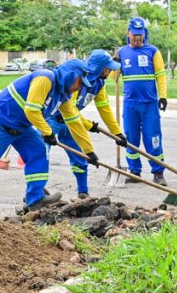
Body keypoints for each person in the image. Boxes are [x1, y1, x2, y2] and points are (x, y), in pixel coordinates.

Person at [0, 58, 114, 211]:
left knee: (39, 151)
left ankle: (35, 199)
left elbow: (74, 121)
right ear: (71, 75)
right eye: (79, 82)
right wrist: (47, 132)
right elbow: (31, 109)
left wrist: (89, 151)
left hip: (21, 126)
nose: (79, 87)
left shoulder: (63, 95)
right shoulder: (45, 78)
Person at [49, 49, 126, 198]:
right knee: (40, 153)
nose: (110, 70)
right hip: (52, 119)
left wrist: (117, 133)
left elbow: (104, 108)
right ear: (99, 67)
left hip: (71, 123)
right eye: (108, 67)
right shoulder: (79, 77)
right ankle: (36, 193)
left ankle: (83, 193)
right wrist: (89, 125)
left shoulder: (99, 83)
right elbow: (70, 109)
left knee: (81, 157)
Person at [117, 17, 169, 186]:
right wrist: (114, 65)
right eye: (135, 35)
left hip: (149, 104)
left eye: (141, 35)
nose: (138, 38)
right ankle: (134, 171)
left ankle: (158, 172)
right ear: (128, 34)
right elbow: (114, 78)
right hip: (130, 103)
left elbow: (160, 75)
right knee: (131, 138)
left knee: (153, 138)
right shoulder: (121, 52)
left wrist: (163, 95)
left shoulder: (153, 51)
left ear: (144, 34)